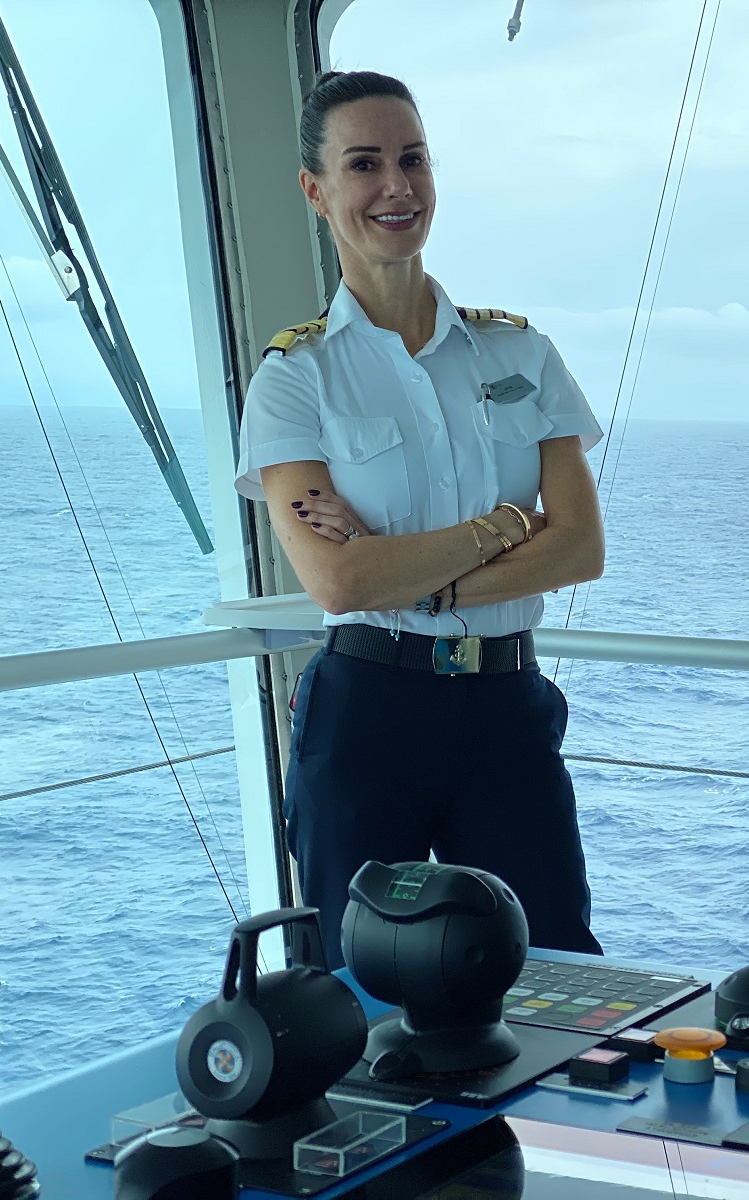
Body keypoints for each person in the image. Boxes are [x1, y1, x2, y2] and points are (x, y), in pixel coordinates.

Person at [232, 69, 606, 965]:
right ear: (316, 192)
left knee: (548, 966)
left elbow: (582, 547)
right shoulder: (296, 379)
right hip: (369, 716)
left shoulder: (522, 350)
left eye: (413, 159)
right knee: (365, 984)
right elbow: (338, 580)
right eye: (365, 164)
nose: (396, 186)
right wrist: (502, 528)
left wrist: (412, 574)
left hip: (506, 710)